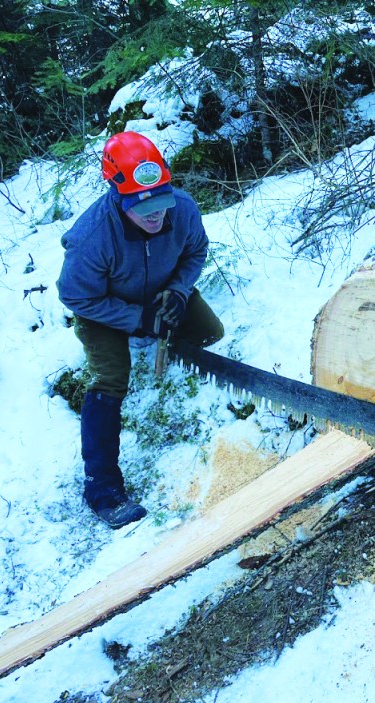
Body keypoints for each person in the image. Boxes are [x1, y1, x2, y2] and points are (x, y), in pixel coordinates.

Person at [57, 131, 224, 528]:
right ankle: (102, 489)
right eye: (142, 206)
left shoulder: (182, 209)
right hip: (103, 309)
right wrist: (136, 319)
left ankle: (162, 334)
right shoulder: (91, 237)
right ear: (119, 197)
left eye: (161, 201)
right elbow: (75, 296)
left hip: (160, 291)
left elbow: (196, 251)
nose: (155, 214)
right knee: (111, 378)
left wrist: (179, 290)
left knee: (209, 332)